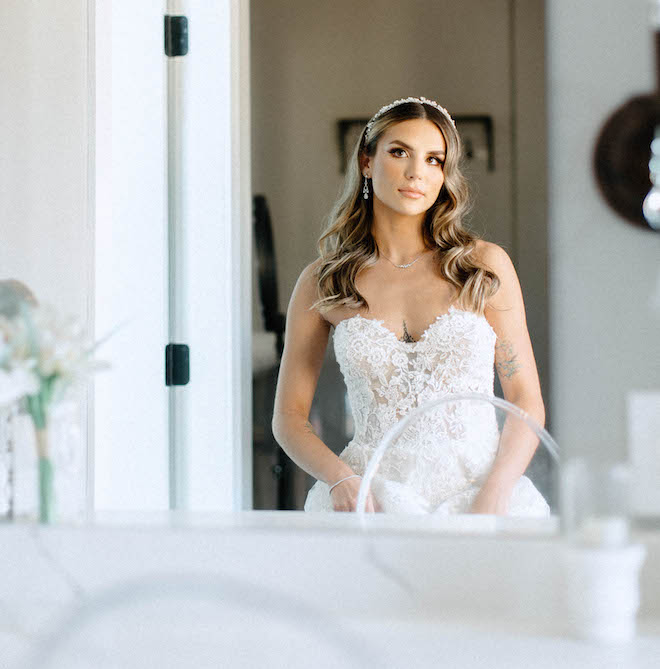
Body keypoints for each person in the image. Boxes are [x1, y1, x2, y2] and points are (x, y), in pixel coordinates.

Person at [271, 96, 549, 516]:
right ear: (367, 161)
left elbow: (525, 399)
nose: (417, 172)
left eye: (434, 160)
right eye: (400, 152)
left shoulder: (481, 266)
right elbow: (288, 417)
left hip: (482, 496)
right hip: (372, 501)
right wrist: (340, 478)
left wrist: (496, 492)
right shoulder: (323, 281)